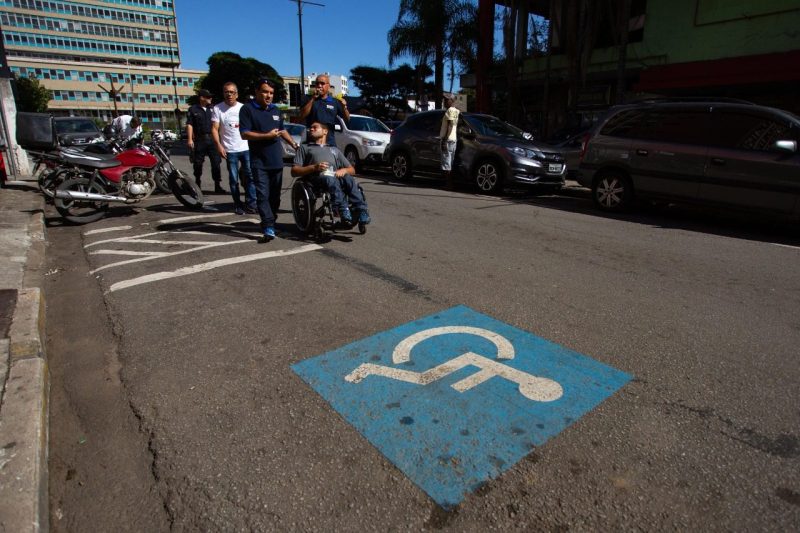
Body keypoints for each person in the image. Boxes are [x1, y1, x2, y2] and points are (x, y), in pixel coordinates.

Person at [239, 79, 298, 243]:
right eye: (265, 92)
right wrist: (267, 136)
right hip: (259, 162)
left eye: (271, 93)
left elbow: (282, 130)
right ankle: (268, 226)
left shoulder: (276, 110)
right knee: (262, 196)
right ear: (257, 91)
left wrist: (293, 144)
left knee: (275, 197)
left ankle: (271, 220)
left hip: (276, 161)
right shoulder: (247, 109)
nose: (268, 96)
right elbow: (244, 134)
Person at [291, 121, 370, 226]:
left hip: (334, 176)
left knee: (348, 178)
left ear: (325, 131)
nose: (311, 129)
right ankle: (342, 209)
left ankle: (361, 210)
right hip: (316, 179)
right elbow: (294, 171)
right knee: (329, 179)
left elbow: (352, 169)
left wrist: (344, 170)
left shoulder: (334, 149)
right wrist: (314, 167)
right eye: (310, 128)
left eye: (315, 127)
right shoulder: (305, 148)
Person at [212, 82, 257, 215]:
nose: (229, 94)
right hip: (230, 150)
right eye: (227, 92)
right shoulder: (218, 108)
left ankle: (251, 203)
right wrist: (219, 145)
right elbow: (214, 129)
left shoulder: (243, 108)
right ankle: (238, 205)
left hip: (245, 148)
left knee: (250, 176)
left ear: (236, 94)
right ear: (223, 93)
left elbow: (251, 127)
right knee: (233, 178)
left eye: (232, 92)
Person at [186, 88, 224, 194]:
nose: (210, 98)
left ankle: (217, 185)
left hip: (213, 139)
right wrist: (189, 139)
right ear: (201, 98)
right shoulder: (193, 109)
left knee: (216, 163)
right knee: (198, 163)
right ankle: (197, 184)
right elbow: (190, 124)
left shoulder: (213, 108)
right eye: (208, 97)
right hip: (200, 139)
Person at [298, 74, 349, 147]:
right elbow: (302, 115)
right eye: (317, 83)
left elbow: (347, 119)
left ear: (328, 86)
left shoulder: (334, 102)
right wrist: (313, 98)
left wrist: (344, 107)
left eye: (322, 83)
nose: (319, 86)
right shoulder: (308, 99)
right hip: (312, 142)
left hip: (329, 141)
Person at [439, 93, 460, 190]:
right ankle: (450, 184)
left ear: (451, 101)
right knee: (449, 163)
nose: (444, 101)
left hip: (448, 140)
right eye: (444, 100)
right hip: (453, 139)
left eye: (446, 100)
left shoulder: (450, 110)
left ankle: (449, 185)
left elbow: (450, 125)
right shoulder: (456, 111)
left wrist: (444, 140)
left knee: (446, 164)